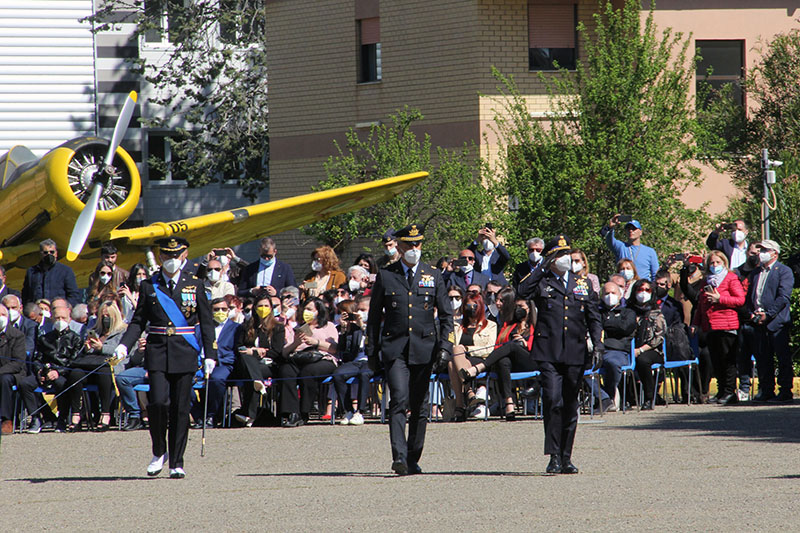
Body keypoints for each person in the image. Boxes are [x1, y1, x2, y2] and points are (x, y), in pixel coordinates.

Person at [114, 237, 217, 479]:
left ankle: (177, 461)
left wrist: (210, 354)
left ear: (184, 255)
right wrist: (124, 346)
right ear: (160, 257)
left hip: (185, 351)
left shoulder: (196, 284)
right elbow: (139, 321)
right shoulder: (150, 286)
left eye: (175, 255)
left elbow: (207, 322)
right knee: (158, 403)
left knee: (181, 408)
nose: (170, 260)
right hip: (158, 351)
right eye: (166, 256)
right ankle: (159, 450)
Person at [367, 224, 453, 475]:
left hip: (424, 348)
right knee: (399, 400)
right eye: (409, 245)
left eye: (418, 244)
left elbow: (447, 316)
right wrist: (372, 352)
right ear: (399, 246)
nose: (414, 249)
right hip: (395, 349)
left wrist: (445, 347)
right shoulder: (386, 275)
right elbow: (373, 319)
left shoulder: (433, 275)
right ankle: (400, 457)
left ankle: (414, 456)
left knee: (420, 405)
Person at [518, 234, 602, 474]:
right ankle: (553, 456)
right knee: (553, 400)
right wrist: (542, 265)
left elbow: (593, 317)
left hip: (575, 352)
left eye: (567, 254)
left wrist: (598, 344)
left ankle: (566, 456)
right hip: (548, 352)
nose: (565, 259)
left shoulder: (582, 283)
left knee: (570, 405)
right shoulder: (542, 281)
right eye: (559, 255)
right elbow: (522, 291)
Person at [460, 296, 538, 420]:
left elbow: (539, 348)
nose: (518, 309)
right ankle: (509, 403)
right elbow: (499, 345)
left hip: (530, 360)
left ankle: (480, 367)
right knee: (503, 361)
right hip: (512, 364)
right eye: (516, 307)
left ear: (529, 309)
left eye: (521, 307)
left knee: (512, 345)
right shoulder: (509, 325)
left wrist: (525, 343)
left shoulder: (535, 325)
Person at [691, 251, 745, 405]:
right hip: (710, 325)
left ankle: (729, 392)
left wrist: (720, 298)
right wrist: (696, 323)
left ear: (724, 263)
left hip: (727, 325)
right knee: (716, 360)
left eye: (717, 262)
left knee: (727, 360)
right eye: (711, 263)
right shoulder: (706, 280)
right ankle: (721, 390)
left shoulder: (731, 278)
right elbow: (701, 305)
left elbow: (740, 300)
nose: (714, 266)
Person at [19, 304, 84, 433]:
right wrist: (40, 371)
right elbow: (37, 358)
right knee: (24, 384)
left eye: (63, 318)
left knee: (62, 385)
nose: (60, 321)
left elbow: (74, 361)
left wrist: (57, 372)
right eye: (57, 318)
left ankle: (62, 419)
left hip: (63, 373)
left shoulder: (76, 339)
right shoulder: (44, 338)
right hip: (45, 371)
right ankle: (37, 417)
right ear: (52, 319)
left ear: (69, 319)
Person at [278, 297, 339, 427]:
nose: (306, 312)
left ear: (319, 311)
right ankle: (292, 413)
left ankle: (304, 412)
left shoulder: (328, 326)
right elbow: (284, 352)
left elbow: (334, 348)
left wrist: (316, 343)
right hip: (299, 357)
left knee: (308, 372)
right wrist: (296, 342)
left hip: (322, 358)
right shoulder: (298, 328)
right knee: (286, 370)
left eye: (310, 309)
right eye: (305, 309)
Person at [746, 239, 794, 403]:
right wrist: (752, 314)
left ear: (774, 253)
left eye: (765, 250)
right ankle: (766, 389)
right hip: (758, 322)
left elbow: (783, 297)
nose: (761, 253)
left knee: (782, 358)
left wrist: (769, 314)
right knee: (762, 358)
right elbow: (750, 297)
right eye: (760, 250)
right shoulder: (755, 273)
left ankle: (785, 390)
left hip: (777, 323)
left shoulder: (783, 271)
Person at [71, 300, 127, 431]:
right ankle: (76, 414)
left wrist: (102, 348)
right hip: (89, 365)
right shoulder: (94, 330)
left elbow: (123, 351)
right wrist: (87, 347)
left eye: (108, 316)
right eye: (102, 316)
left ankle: (105, 414)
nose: (105, 319)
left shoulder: (123, 331)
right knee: (75, 373)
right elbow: (80, 354)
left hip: (110, 366)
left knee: (104, 371)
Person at [232, 292, 285, 427]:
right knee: (247, 358)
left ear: (271, 308)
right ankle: (257, 383)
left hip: (266, 365)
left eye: (266, 305)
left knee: (253, 373)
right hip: (245, 364)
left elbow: (276, 352)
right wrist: (255, 352)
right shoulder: (246, 326)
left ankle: (248, 414)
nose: (263, 308)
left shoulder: (278, 327)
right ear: (255, 308)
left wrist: (253, 352)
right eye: (260, 306)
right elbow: (239, 348)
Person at [447, 292, 498, 421]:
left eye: (474, 305)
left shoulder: (491, 325)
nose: (471, 309)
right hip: (460, 360)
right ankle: (468, 392)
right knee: (452, 360)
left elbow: (489, 349)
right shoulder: (457, 325)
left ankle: (461, 405)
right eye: (468, 305)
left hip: (480, 360)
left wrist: (468, 350)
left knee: (456, 354)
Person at [191, 297, 239, 428]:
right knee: (182, 379)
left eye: (223, 309)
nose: (220, 312)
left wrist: (217, 360)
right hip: (200, 363)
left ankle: (212, 415)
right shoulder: (200, 328)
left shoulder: (236, 328)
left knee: (217, 379)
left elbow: (235, 352)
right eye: (216, 309)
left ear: (229, 310)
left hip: (222, 364)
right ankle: (199, 415)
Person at [592, 282, 636, 412]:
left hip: (618, 351)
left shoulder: (628, 312)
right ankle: (605, 398)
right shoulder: (596, 312)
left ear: (620, 295)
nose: (609, 296)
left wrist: (605, 324)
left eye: (613, 293)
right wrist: (613, 324)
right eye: (606, 293)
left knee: (611, 362)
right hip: (598, 349)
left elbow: (625, 327)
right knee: (581, 367)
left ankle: (611, 394)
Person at [333, 298, 373, 425]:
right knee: (338, 374)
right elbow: (345, 352)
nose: (360, 313)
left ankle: (360, 411)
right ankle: (348, 410)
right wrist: (344, 331)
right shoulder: (354, 328)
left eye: (363, 310)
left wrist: (363, 327)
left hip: (372, 360)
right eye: (358, 310)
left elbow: (375, 344)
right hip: (356, 361)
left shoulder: (378, 325)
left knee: (364, 374)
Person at [627, 279, 667, 410]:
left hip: (652, 350)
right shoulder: (627, 312)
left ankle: (650, 397)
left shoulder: (656, 313)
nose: (643, 293)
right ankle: (627, 397)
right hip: (629, 348)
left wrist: (641, 350)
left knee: (643, 360)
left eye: (647, 290)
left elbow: (659, 337)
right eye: (640, 290)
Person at [21, 239, 81, 306]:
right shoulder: (31, 272)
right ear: (40, 254)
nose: (49, 255)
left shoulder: (66, 271)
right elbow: (25, 294)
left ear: (56, 253)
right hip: (37, 311)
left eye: (52, 252)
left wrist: (65, 308)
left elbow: (73, 294)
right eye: (45, 253)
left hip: (57, 311)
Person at [600, 215, 659, 281]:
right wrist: (611, 227)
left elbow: (655, 274)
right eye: (628, 229)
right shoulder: (621, 247)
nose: (631, 231)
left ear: (640, 232)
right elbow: (610, 241)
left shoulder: (650, 251)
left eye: (634, 228)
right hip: (624, 286)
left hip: (642, 287)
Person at [0, 304, 27, 434]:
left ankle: (6, 420)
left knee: (4, 380)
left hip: (12, 373)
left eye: (3, 315)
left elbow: (18, 363)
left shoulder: (17, 335)